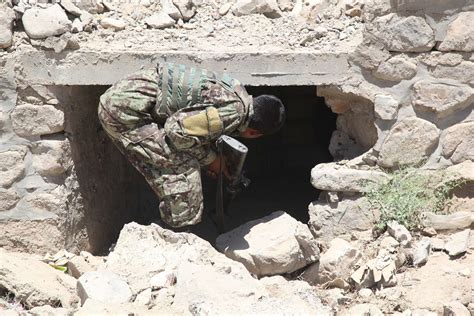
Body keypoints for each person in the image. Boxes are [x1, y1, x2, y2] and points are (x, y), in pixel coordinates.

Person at [98, 63, 286, 228]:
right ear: (255, 133)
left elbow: (194, 127)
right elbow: (175, 131)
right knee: (184, 168)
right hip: (125, 114)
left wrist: (210, 158)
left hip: (126, 98)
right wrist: (212, 160)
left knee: (184, 155)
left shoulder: (237, 91)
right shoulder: (235, 113)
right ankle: (177, 237)